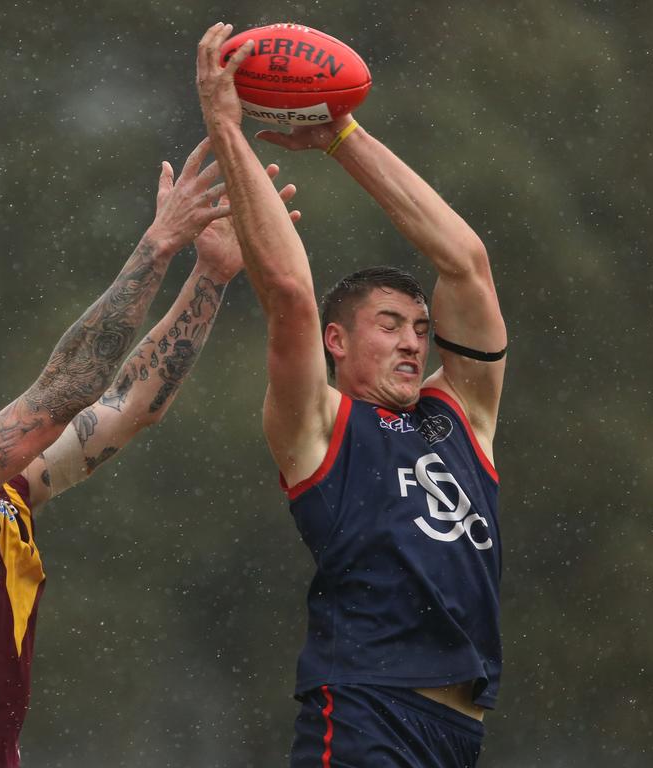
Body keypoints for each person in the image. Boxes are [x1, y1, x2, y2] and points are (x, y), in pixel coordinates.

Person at [0, 137, 296, 768]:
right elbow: (66, 390)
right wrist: (158, 243)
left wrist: (209, 275)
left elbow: (130, 406)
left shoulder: (2, 492)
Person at [196, 24, 509, 767]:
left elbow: (464, 262)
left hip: (460, 734)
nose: (413, 342)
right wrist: (228, 128)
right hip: (368, 711)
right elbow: (290, 294)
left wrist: (345, 137)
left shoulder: (459, 416)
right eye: (390, 325)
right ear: (337, 342)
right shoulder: (319, 425)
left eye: (421, 329)